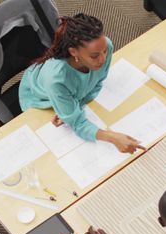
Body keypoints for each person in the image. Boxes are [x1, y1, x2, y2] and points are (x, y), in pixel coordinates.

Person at [18, 13, 144, 154]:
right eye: (94, 56)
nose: (103, 59)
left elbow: (98, 81)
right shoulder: (56, 80)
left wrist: (73, 107)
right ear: (73, 52)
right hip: (41, 99)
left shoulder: (105, 45)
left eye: (104, 51)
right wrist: (113, 137)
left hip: (71, 95)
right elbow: (78, 124)